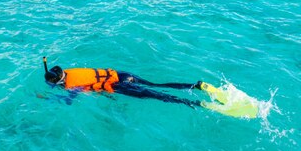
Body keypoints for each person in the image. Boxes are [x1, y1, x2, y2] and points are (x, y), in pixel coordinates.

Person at [42, 57, 219, 108]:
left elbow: (68, 101)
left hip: (120, 86)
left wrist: (47, 98)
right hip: (123, 75)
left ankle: (196, 103)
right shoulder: (71, 72)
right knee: (157, 86)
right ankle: (196, 86)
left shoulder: (72, 86)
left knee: (157, 96)